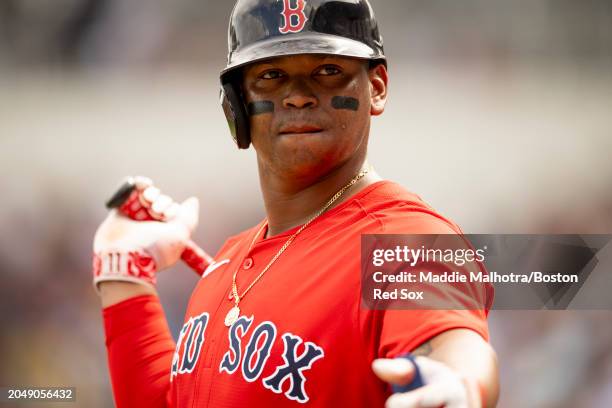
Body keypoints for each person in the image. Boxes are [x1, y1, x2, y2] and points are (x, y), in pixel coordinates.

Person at [93, 0, 499, 407]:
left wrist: (460, 386)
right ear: (235, 103)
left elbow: (454, 348)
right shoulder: (224, 267)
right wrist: (125, 277)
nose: (299, 96)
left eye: (328, 71)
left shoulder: (405, 239)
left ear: (376, 88)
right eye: (272, 75)